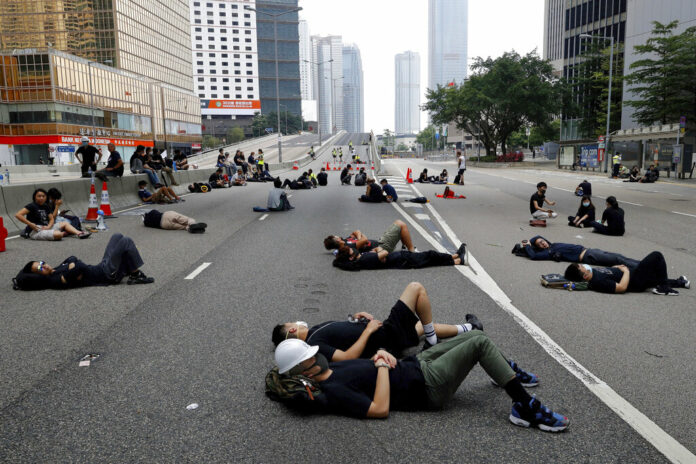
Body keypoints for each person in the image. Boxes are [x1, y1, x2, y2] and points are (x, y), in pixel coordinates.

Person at [271, 334, 568, 431]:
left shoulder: (329, 369)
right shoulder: (333, 391)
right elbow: (378, 409)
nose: (317, 355)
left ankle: (503, 371)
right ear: (304, 372)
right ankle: (523, 406)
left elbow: (366, 365)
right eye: (311, 357)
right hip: (426, 386)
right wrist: (383, 368)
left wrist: (382, 354)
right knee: (478, 343)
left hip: (414, 365)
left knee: (473, 336)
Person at [272, 282, 485, 360]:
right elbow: (347, 356)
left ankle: (470, 328)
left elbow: (342, 333)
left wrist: (355, 318)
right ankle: (431, 343)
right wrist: (368, 330)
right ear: (291, 330)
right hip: (386, 338)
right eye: (294, 323)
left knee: (422, 326)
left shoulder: (315, 332)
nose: (299, 323)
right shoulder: (313, 345)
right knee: (415, 288)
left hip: (384, 334)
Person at [13, 233, 155, 290]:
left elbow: (73, 258)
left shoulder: (55, 270)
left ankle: (129, 269)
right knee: (126, 241)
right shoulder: (53, 280)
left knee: (117, 236)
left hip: (101, 267)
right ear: (39, 275)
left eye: (42, 263)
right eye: (40, 269)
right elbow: (77, 267)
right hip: (106, 275)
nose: (44, 266)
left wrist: (74, 267)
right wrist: (74, 268)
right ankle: (135, 275)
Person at [564, 252, 689, 296]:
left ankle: (681, 283)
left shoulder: (592, 274)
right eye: (582, 267)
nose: (584, 265)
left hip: (634, 275)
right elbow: (621, 288)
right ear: (585, 276)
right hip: (635, 281)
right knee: (656, 256)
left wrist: (616, 268)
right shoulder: (598, 282)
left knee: (658, 277)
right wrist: (626, 271)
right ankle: (664, 289)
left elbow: (609, 273)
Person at [515, 235, 639, 269]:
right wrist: (528, 246)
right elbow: (534, 256)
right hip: (588, 256)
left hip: (590, 250)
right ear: (541, 248)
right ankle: (642, 266)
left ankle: (642, 263)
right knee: (617, 260)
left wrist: (532, 241)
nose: (543, 242)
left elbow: (538, 235)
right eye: (540, 244)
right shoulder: (549, 252)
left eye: (542, 241)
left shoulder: (552, 244)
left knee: (619, 257)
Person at [15, 189, 90, 240]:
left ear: (46, 197)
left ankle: (79, 233)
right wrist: (30, 224)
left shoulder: (45, 206)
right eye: (39, 196)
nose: (41, 198)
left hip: (47, 227)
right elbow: (18, 215)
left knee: (65, 223)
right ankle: (66, 232)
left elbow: (51, 219)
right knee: (58, 235)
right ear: (35, 197)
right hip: (36, 229)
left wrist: (49, 226)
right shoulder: (31, 206)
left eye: (43, 196)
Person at [333, 243, 467, 271]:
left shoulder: (360, 258)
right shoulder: (363, 259)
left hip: (402, 258)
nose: (354, 250)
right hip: (403, 259)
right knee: (430, 255)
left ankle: (456, 258)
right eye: (351, 251)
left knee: (430, 260)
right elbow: (383, 253)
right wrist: (379, 250)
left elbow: (379, 254)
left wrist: (378, 252)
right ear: (350, 258)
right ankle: (457, 258)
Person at [324, 220, 416, 253]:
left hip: (380, 242)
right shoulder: (348, 247)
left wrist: (359, 238)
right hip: (382, 247)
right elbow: (365, 239)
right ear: (337, 240)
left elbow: (357, 231)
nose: (337, 236)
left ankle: (405, 247)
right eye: (336, 237)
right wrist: (361, 238)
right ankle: (412, 251)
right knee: (400, 224)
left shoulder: (346, 240)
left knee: (397, 227)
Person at [142, 209, 207, 233]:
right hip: (167, 215)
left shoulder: (146, 223)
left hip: (164, 225)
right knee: (187, 219)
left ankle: (189, 228)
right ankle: (192, 224)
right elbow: (155, 211)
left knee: (183, 227)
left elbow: (146, 223)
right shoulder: (152, 212)